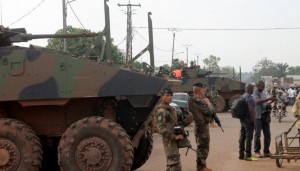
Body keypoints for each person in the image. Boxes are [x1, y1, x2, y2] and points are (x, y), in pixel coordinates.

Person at [155, 87, 184, 171]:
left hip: (173, 140)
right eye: (167, 95)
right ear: (161, 97)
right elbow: (161, 129)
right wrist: (174, 137)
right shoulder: (162, 111)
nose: (170, 97)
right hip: (169, 141)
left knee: (172, 164)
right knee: (175, 165)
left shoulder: (170, 108)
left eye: (171, 95)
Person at [188, 82, 214, 171]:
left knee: (201, 146)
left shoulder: (191, 100)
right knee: (203, 147)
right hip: (202, 127)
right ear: (200, 90)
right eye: (203, 89)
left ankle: (202, 166)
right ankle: (201, 167)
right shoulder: (199, 101)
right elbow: (210, 112)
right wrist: (208, 103)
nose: (204, 91)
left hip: (198, 126)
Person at [253, 80, 276, 158]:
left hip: (265, 116)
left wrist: (269, 103)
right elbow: (257, 101)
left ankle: (266, 151)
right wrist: (268, 99)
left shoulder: (263, 93)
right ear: (257, 86)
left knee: (267, 134)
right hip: (258, 117)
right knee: (257, 135)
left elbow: (265, 104)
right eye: (261, 86)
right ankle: (257, 151)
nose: (262, 87)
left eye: (263, 86)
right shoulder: (255, 93)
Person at [238, 83, 257, 161]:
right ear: (250, 89)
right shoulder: (250, 98)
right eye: (252, 88)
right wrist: (254, 121)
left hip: (242, 120)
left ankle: (241, 154)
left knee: (242, 137)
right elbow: (251, 110)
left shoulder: (242, 96)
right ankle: (248, 155)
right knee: (249, 138)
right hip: (248, 121)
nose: (253, 89)